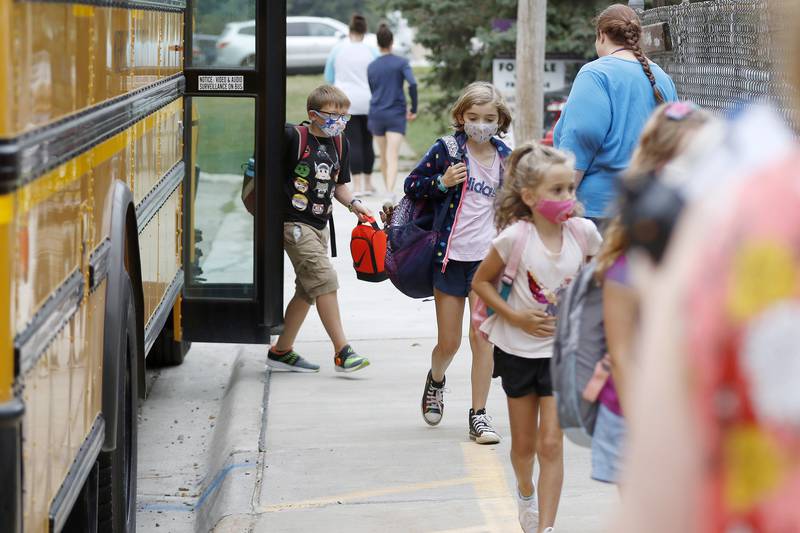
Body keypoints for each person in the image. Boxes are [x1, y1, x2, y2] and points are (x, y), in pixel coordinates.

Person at [472, 143, 602, 533]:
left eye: (570, 189)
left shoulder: (585, 234)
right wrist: (515, 315)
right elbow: (480, 282)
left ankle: (546, 527)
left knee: (551, 443)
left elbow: (596, 285)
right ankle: (525, 492)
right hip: (517, 350)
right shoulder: (514, 238)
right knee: (524, 448)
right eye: (557, 190)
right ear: (529, 197)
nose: (567, 198)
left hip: (563, 353)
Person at [591, 101, 711, 486]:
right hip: (638, 415)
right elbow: (623, 354)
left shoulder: (721, 249)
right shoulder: (627, 264)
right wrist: (646, 431)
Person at [404, 82, 512, 444]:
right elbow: (412, 186)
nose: (481, 124)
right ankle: (436, 379)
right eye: (474, 117)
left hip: (487, 263)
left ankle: (478, 415)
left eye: (489, 118)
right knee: (449, 343)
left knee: (483, 339)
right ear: (461, 118)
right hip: (449, 260)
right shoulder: (447, 151)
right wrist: (441, 181)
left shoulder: (506, 158)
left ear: (500, 121)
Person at [268, 85, 373, 373]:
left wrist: (355, 205)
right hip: (294, 224)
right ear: (312, 114)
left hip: (319, 225)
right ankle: (342, 351)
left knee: (308, 290)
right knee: (325, 279)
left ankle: (281, 350)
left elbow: (340, 185)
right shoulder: (294, 137)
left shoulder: (340, 143)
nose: (339, 120)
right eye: (333, 114)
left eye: (344, 115)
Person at [554, 3, 677, 225]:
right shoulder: (663, 78)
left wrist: (560, 201)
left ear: (601, 35)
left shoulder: (596, 73)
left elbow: (582, 136)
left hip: (598, 210)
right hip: (648, 208)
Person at [324, 14, 377, 196]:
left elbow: (329, 77)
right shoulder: (371, 51)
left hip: (346, 102)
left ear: (349, 30)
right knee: (367, 141)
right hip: (369, 101)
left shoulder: (337, 50)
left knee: (353, 142)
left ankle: (358, 186)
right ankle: (369, 184)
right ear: (365, 31)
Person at [368, 23, 418, 201]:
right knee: (392, 155)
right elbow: (412, 83)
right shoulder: (401, 63)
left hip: (376, 113)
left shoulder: (372, 66)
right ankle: (389, 192)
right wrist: (414, 108)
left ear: (378, 42)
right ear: (392, 42)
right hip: (396, 113)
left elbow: (373, 89)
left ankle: (387, 191)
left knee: (383, 155)